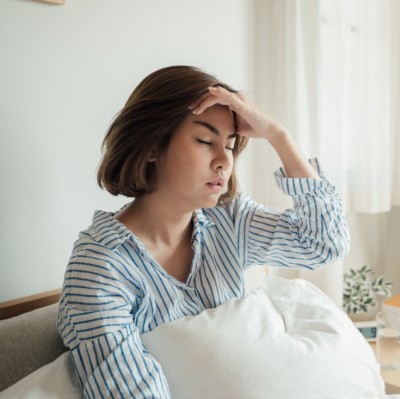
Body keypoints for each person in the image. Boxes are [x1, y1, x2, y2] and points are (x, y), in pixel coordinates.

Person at [57, 65, 350, 398]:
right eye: (204, 140)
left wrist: (277, 136)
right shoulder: (100, 267)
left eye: (230, 144)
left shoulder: (228, 219)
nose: (224, 160)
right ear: (152, 146)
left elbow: (323, 244)